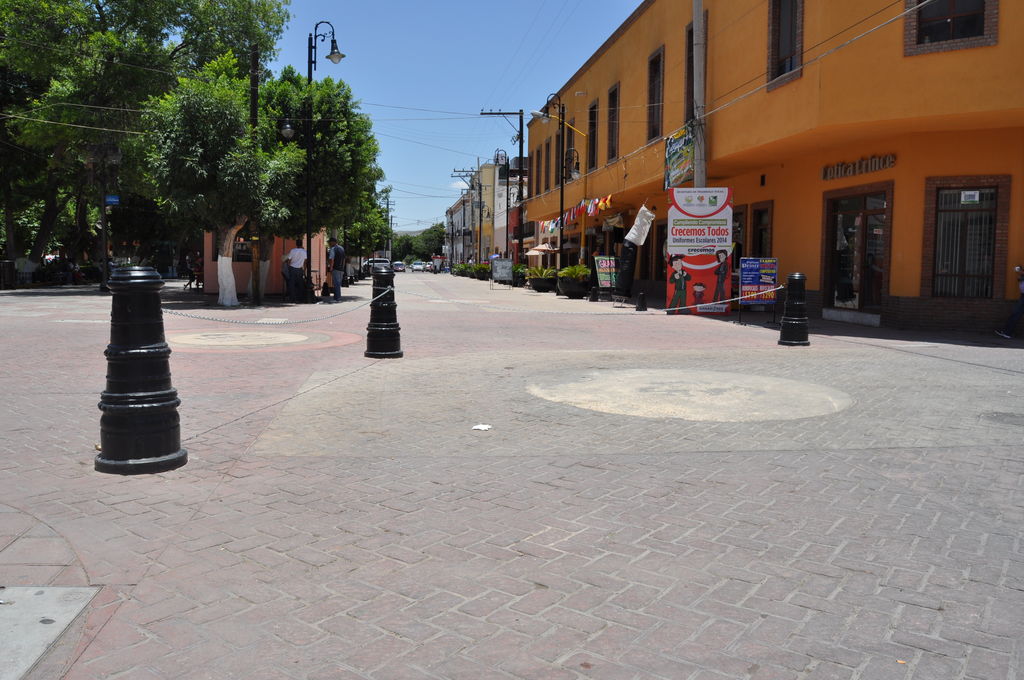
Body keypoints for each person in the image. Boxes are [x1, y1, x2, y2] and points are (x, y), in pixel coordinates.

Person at [996, 266, 1024, 339]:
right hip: (1022, 296)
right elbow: (1019, 278)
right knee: (1015, 314)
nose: (1020, 272)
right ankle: (1006, 332)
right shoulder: (1021, 277)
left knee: (1016, 314)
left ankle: (1007, 332)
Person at [326, 237, 345, 303]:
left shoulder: (333, 249)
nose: (329, 244)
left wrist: (331, 267)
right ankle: (337, 297)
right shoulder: (342, 248)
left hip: (336, 268)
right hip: (341, 269)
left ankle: (337, 298)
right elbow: (344, 259)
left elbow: (332, 259)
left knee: (336, 284)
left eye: (330, 242)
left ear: (333, 242)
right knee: (338, 284)